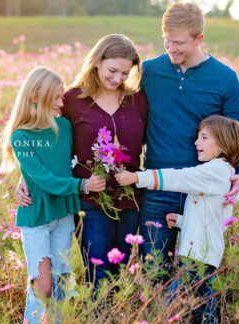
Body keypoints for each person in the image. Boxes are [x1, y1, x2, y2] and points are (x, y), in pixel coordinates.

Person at [16, 35, 148, 292]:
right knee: (98, 274)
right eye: (112, 70)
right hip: (90, 200)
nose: (118, 78)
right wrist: (25, 176)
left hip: (129, 198)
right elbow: (45, 137)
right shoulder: (73, 100)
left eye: (125, 72)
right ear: (96, 62)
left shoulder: (138, 101)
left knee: (118, 274)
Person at [138, 3, 239, 280]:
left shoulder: (224, 78)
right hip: (158, 185)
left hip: (202, 191)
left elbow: (238, 132)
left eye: (179, 43)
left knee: (194, 277)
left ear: (199, 39)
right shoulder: (149, 71)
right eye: (167, 41)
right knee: (154, 274)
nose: (171, 48)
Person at [0, 66, 105, 324]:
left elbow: (68, 160)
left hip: (63, 214)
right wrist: (82, 186)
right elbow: (45, 179)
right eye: (56, 98)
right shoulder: (21, 137)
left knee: (59, 283)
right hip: (37, 216)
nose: (62, 104)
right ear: (36, 96)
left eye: (61, 97)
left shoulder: (65, 127)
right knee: (42, 284)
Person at [115, 115, 239, 324]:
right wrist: (183, 221)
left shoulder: (214, 171)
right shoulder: (224, 173)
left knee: (172, 307)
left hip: (198, 255)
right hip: (205, 255)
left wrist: (137, 178)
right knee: (204, 308)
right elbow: (216, 220)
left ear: (223, 144)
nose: (196, 143)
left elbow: (177, 178)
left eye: (204, 138)